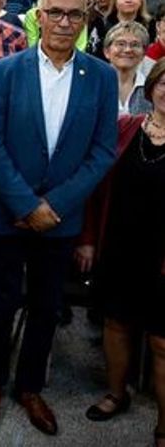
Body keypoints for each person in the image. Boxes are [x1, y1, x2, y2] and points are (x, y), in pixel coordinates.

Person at [0, 0, 118, 436]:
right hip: (7, 212)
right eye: (54, 13)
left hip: (59, 218)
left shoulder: (101, 76)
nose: (63, 22)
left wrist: (53, 206)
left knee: (46, 308)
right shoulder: (6, 71)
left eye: (73, 15)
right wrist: (24, 203)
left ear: (84, 21)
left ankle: (30, 387)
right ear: (38, 17)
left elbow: (102, 151)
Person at [77, 59, 165, 447]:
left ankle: (164, 426)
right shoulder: (127, 128)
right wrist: (88, 238)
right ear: (152, 87)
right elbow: (96, 189)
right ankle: (116, 393)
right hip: (120, 245)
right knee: (116, 325)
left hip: (162, 258)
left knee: (162, 343)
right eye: (164, 83)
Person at [103, 21, 153, 116]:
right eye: (121, 44)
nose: (128, 50)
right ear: (107, 51)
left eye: (135, 45)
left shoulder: (151, 89)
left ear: (144, 54)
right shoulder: (93, 84)